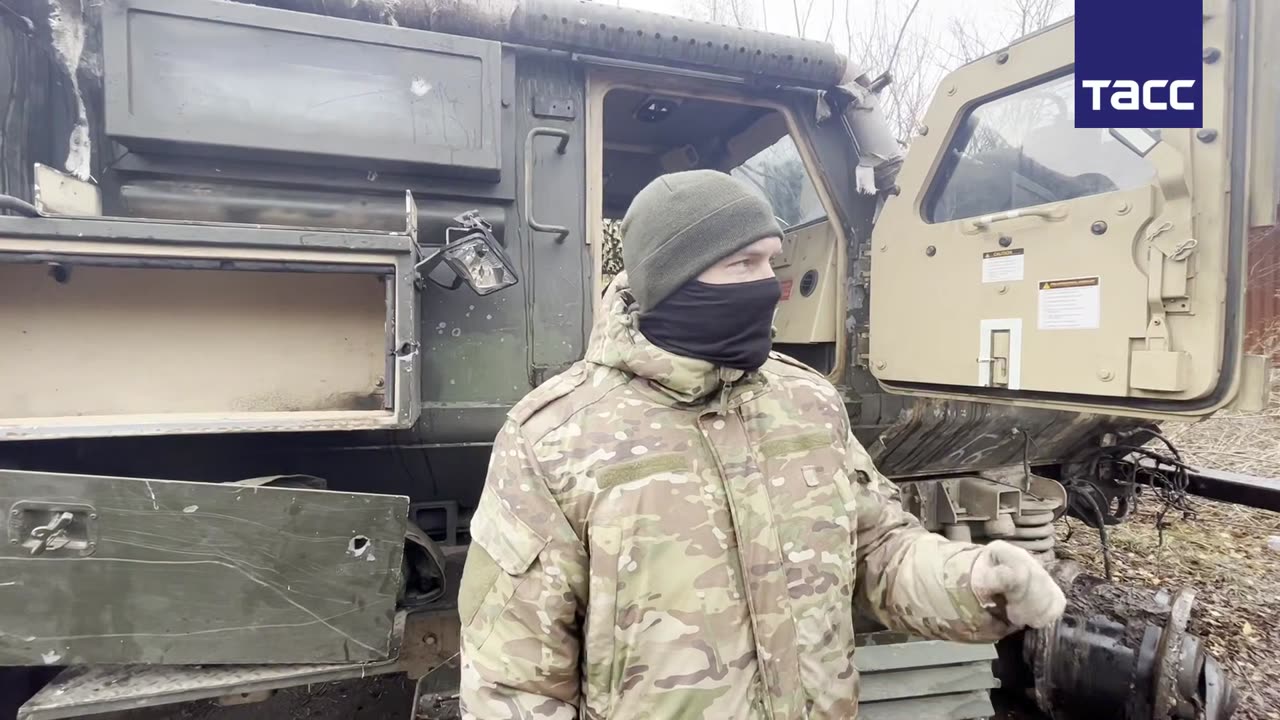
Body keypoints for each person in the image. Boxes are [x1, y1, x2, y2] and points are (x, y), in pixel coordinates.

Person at [457, 169, 1066, 719]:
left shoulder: (808, 402)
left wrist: (974, 581)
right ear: (673, 280)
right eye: (742, 264)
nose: (767, 288)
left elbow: (879, 552)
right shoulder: (554, 439)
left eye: (770, 263)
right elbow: (512, 685)